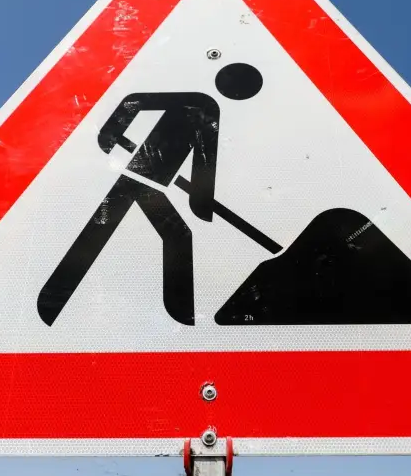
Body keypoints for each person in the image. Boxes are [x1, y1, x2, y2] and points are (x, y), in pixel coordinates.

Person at [37, 62, 263, 326]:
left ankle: (182, 314)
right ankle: (51, 301)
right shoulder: (198, 102)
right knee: (103, 233)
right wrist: (114, 141)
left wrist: (200, 199)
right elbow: (130, 105)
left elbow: (204, 162)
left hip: (152, 186)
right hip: (133, 177)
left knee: (165, 234)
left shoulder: (208, 108)